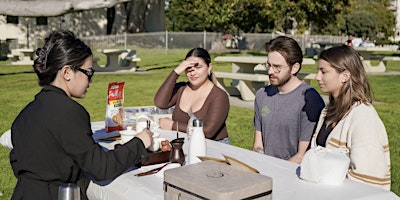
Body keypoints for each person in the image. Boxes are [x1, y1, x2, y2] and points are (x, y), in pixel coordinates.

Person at [9, 30, 152, 200]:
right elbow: (101, 168)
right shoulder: (70, 112)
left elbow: (16, 160)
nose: (90, 81)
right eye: (89, 73)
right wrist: (140, 142)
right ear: (67, 72)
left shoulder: (26, 113)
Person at [310, 45, 391, 190]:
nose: (317, 77)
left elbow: (367, 178)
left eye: (323, 71)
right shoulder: (327, 111)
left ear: (345, 76)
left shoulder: (363, 116)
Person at [252, 36, 325, 164]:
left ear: (295, 68)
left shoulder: (310, 100)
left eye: (277, 67)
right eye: (268, 65)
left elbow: (302, 156)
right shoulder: (262, 95)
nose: (270, 71)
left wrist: (276, 172)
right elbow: (258, 145)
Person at [154, 47, 230, 143]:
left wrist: (174, 125)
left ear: (209, 67)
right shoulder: (181, 88)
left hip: (214, 146)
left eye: (198, 67)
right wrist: (176, 72)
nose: (192, 72)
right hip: (184, 144)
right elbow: (160, 103)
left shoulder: (219, 96)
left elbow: (208, 132)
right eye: (188, 68)